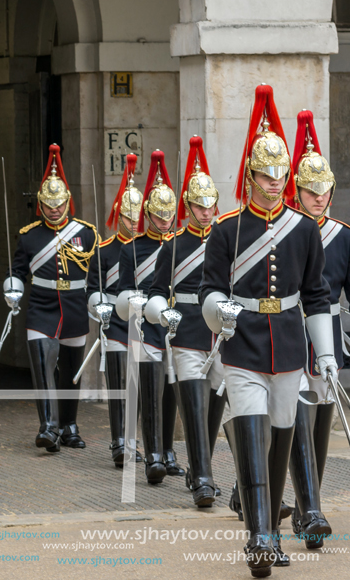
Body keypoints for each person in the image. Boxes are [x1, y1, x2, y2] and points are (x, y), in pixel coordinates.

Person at [200, 84, 337, 578]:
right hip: (244, 344)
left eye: (282, 175)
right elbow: (209, 291)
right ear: (251, 175)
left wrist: (325, 353)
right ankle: (258, 535)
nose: (276, 182)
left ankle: (273, 528)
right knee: (253, 429)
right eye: (266, 174)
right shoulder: (227, 229)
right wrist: (222, 312)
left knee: (282, 435)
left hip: (289, 345)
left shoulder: (304, 229)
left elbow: (316, 295)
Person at [286, 110, 350, 549]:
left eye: (325, 190)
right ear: (298, 191)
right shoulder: (285, 229)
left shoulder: (345, 237)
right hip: (289, 327)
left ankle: (311, 501)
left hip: (326, 327)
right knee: (293, 417)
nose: (320, 198)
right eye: (311, 191)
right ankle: (307, 507)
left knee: (322, 421)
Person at [145, 136, 228, 507]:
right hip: (188, 329)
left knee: (212, 409)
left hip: (221, 334)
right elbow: (155, 290)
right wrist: (165, 312)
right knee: (192, 403)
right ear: (188, 206)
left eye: (211, 206)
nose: (207, 212)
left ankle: (199, 467)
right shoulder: (173, 244)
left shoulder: (227, 240)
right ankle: (205, 480)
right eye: (200, 206)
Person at [5, 144, 98, 452]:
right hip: (41, 306)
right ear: (40, 205)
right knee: (43, 365)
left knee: (71, 372)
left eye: (59, 204)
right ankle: (48, 425)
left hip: (73, 307)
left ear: (68, 202)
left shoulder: (85, 233)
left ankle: (69, 425)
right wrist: (13, 286)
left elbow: (95, 271)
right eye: (49, 205)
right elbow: (18, 269)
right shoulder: (29, 236)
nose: (55, 210)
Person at [115, 150, 182, 484]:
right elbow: (125, 290)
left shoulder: (184, 244)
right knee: (151, 387)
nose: (166, 220)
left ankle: (169, 451)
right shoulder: (132, 249)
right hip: (147, 323)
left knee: (172, 389)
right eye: (159, 214)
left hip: (178, 321)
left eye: (170, 214)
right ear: (148, 214)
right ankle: (153, 454)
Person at [87, 155, 144, 467]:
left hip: (143, 322)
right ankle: (119, 441)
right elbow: (93, 288)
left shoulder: (151, 248)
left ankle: (136, 440)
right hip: (115, 322)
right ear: (119, 215)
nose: (133, 224)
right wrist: (101, 309)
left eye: (137, 219)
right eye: (128, 218)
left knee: (139, 384)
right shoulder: (105, 250)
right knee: (119, 382)